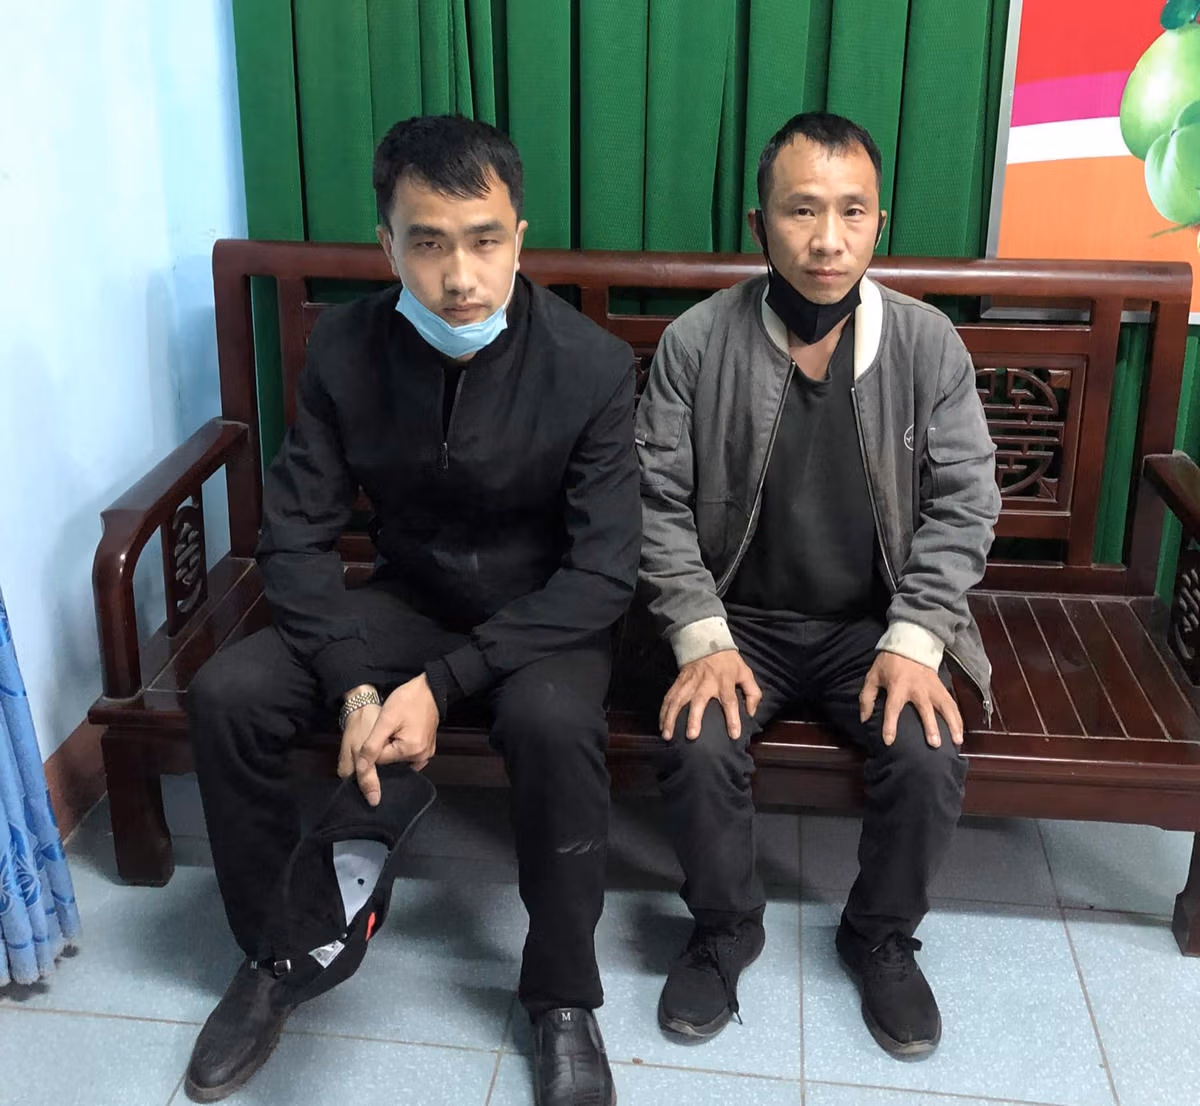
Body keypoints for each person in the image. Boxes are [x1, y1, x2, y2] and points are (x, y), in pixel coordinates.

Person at [184, 114, 639, 1105]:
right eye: (428, 243)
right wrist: (357, 686)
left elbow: (604, 574)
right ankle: (279, 951)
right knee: (228, 694)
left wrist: (440, 685)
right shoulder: (346, 347)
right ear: (386, 245)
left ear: (520, 236)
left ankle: (563, 997)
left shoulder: (592, 367)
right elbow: (294, 537)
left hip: (540, 620)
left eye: (484, 240)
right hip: (406, 598)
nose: (461, 276)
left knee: (555, 724)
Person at [636, 111, 999, 1059]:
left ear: (881, 222)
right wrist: (699, 633)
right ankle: (724, 928)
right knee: (695, 740)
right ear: (758, 223)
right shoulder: (696, 342)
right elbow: (652, 503)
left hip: (873, 625)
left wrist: (917, 638)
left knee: (928, 752)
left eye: (852, 211)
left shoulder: (927, 345)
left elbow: (966, 502)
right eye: (801, 211)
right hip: (738, 621)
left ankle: (879, 935)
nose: (828, 239)